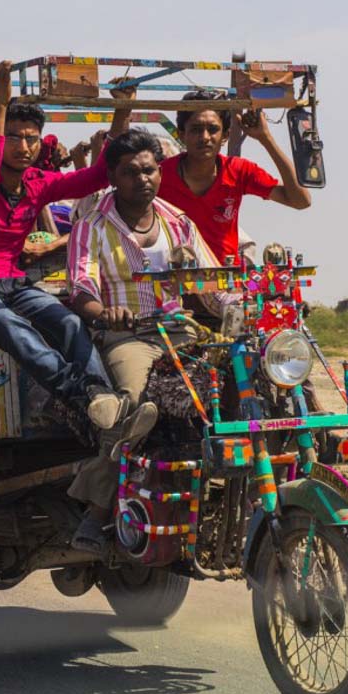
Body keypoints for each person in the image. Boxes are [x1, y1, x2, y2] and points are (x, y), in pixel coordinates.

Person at [0, 61, 127, 436]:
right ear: (0, 140)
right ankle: (82, 397)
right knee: (11, 326)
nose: (24, 146)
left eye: (32, 138)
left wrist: (123, 110)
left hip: (11, 282)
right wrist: (0, 103)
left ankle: (104, 401)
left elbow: (98, 176)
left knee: (69, 320)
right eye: (15, 138)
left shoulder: (38, 183)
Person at [66, 129, 233, 554]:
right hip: (129, 336)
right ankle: (98, 509)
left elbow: (211, 285)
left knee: (245, 378)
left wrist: (241, 304)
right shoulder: (91, 225)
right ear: (112, 177)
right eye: (130, 172)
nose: (143, 179)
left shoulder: (178, 221)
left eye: (149, 170)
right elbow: (80, 287)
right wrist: (106, 313)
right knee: (138, 401)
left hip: (181, 332)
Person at [112, 89, 311, 262]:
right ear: (182, 134)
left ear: (225, 136)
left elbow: (300, 201)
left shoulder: (239, 171)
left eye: (213, 129)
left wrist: (266, 138)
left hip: (226, 287)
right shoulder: (160, 175)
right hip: (174, 281)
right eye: (196, 129)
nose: (205, 137)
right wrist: (122, 110)